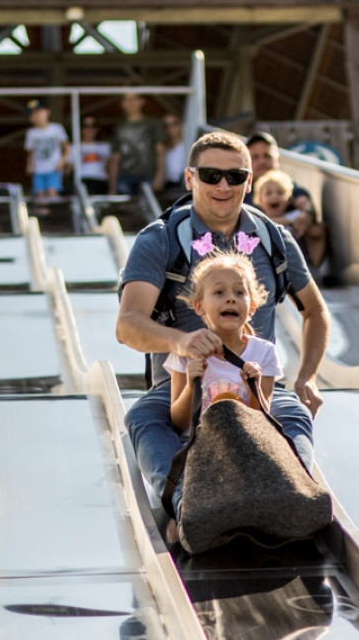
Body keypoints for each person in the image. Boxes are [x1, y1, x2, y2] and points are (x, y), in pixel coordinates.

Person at [116, 131, 330, 524]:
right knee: (144, 420)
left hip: (254, 381)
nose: (223, 186)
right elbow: (128, 324)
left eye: (235, 177)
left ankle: (292, 489)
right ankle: (187, 501)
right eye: (211, 175)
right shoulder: (162, 239)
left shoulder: (272, 239)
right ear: (189, 178)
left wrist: (308, 377)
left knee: (293, 413)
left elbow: (315, 310)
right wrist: (181, 342)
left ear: (250, 182)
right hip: (183, 383)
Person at [164, 251, 280, 430]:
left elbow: (263, 423)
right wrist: (190, 387)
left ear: (252, 307)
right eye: (219, 292)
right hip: (200, 447)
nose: (231, 298)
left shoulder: (264, 352)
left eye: (240, 292)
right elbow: (178, 423)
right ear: (199, 306)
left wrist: (253, 387)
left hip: (244, 446)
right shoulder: (187, 352)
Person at [246, 131, 328, 269]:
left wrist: (306, 213)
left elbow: (303, 201)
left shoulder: (287, 184)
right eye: (255, 157)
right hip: (255, 257)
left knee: (317, 229)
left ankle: (311, 270)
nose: (262, 161)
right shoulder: (241, 189)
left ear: (277, 159)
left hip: (290, 251)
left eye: (267, 156)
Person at [253, 170, 327, 271]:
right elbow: (269, 222)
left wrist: (308, 227)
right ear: (259, 200)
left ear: (288, 199)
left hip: (297, 266)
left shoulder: (296, 217)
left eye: (280, 192)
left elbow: (317, 233)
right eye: (268, 193)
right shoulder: (256, 219)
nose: (274, 196)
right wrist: (288, 221)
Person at [107, 92, 166, 195]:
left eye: (133, 99)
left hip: (147, 175)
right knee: (126, 210)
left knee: (147, 208)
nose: (130, 103)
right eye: (127, 100)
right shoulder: (119, 128)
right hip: (124, 176)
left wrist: (160, 176)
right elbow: (115, 157)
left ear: (141, 101)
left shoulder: (152, 124)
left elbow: (160, 151)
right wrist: (112, 186)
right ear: (122, 104)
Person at [24, 99, 70, 199]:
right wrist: (29, 164)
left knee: (52, 191)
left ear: (47, 112)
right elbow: (31, 151)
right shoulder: (31, 133)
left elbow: (67, 148)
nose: (36, 116)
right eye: (33, 114)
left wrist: (62, 161)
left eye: (39, 112)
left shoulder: (57, 128)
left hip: (53, 167)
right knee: (40, 194)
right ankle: (43, 214)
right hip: (38, 168)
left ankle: (55, 213)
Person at [76, 114, 112, 195]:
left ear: (98, 128)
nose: (90, 129)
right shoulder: (73, 147)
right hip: (81, 181)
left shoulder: (105, 146)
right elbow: (68, 170)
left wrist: (112, 187)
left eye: (93, 125)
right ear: (80, 128)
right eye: (86, 126)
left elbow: (111, 168)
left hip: (100, 182)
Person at [159, 114, 187, 203]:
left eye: (174, 124)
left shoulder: (187, 146)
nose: (170, 128)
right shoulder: (164, 149)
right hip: (166, 187)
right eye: (166, 126)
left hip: (182, 187)